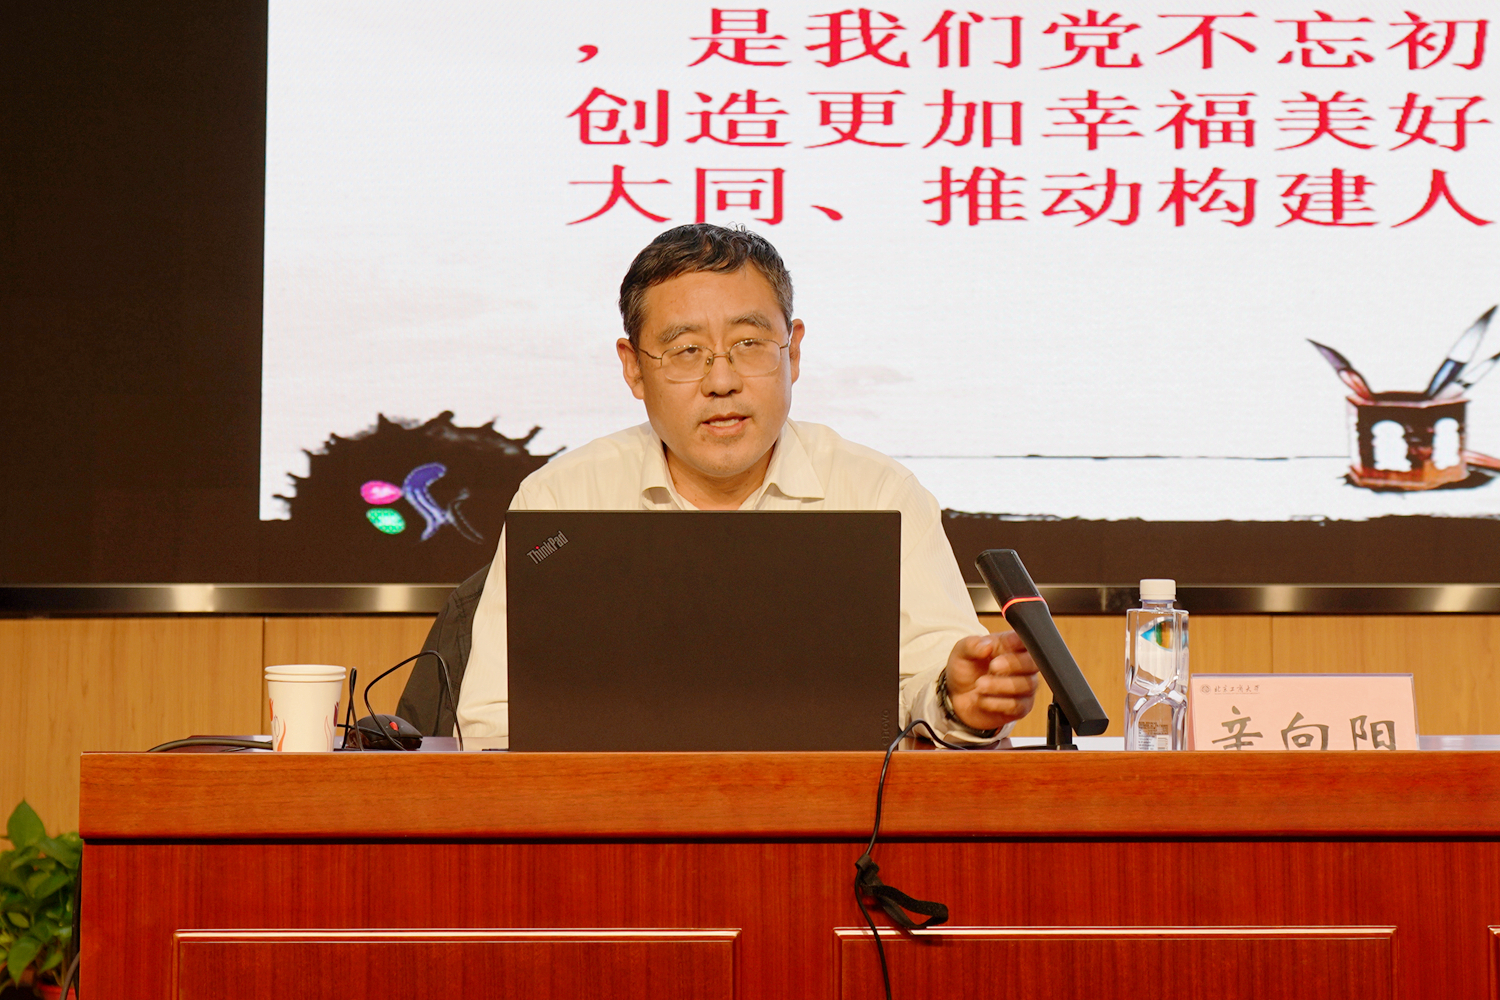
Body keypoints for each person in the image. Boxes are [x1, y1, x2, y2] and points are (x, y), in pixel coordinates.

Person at [453, 223, 1039, 744]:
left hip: (832, 818)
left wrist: (960, 700)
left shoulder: (878, 492)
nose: (722, 381)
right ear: (633, 368)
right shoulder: (560, 502)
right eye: (687, 351)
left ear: (794, 351)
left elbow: (935, 672)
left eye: (749, 344)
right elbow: (494, 723)